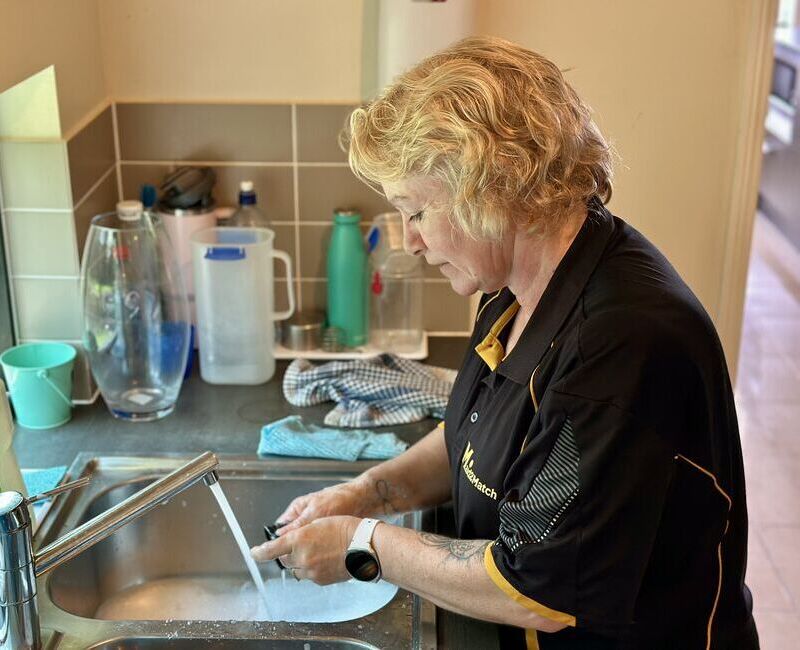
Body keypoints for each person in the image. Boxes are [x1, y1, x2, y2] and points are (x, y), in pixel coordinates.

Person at [251, 36, 758, 649]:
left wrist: (363, 546)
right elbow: (476, 431)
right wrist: (368, 494)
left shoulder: (620, 345)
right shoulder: (516, 287)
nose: (409, 241)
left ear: (487, 192)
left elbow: (538, 587)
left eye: (415, 212)